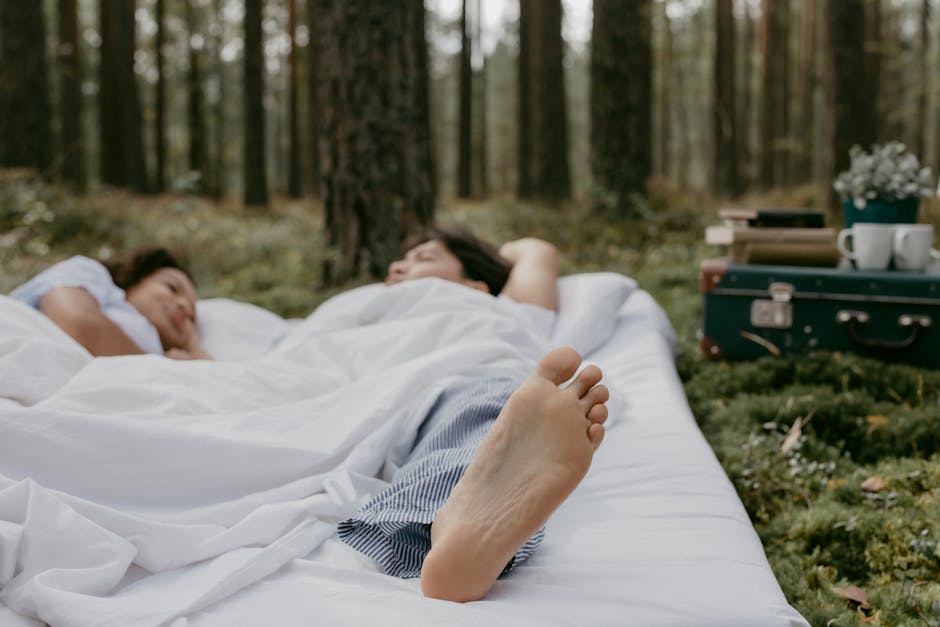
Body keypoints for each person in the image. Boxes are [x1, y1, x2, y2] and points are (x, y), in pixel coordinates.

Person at [339, 346, 609, 602]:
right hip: (503, 380)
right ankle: (459, 522)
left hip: (455, 386)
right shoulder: (388, 307)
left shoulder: (379, 313)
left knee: (462, 434)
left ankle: (447, 519)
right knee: (482, 429)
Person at [9, 246, 212, 360]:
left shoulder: (162, 353)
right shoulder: (89, 273)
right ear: (136, 276)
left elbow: (218, 378)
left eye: (191, 315)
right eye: (172, 288)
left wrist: (192, 346)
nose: (184, 306)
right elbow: (79, 322)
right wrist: (164, 367)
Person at [385, 226, 560, 312]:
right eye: (403, 259)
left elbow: (536, 250)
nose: (395, 267)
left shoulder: (504, 318)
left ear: (475, 287)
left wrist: (496, 258)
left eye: (424, 258)